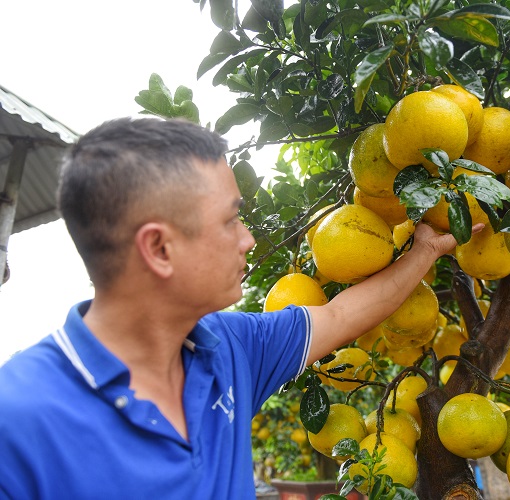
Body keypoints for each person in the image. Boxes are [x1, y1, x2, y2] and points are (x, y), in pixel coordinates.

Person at [0, 117, 467, 499]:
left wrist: (425, 249)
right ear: (159, 249)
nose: (248, 238)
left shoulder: (231, 347)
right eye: (230, 220)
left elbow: (344, 315)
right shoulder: (20, 419)